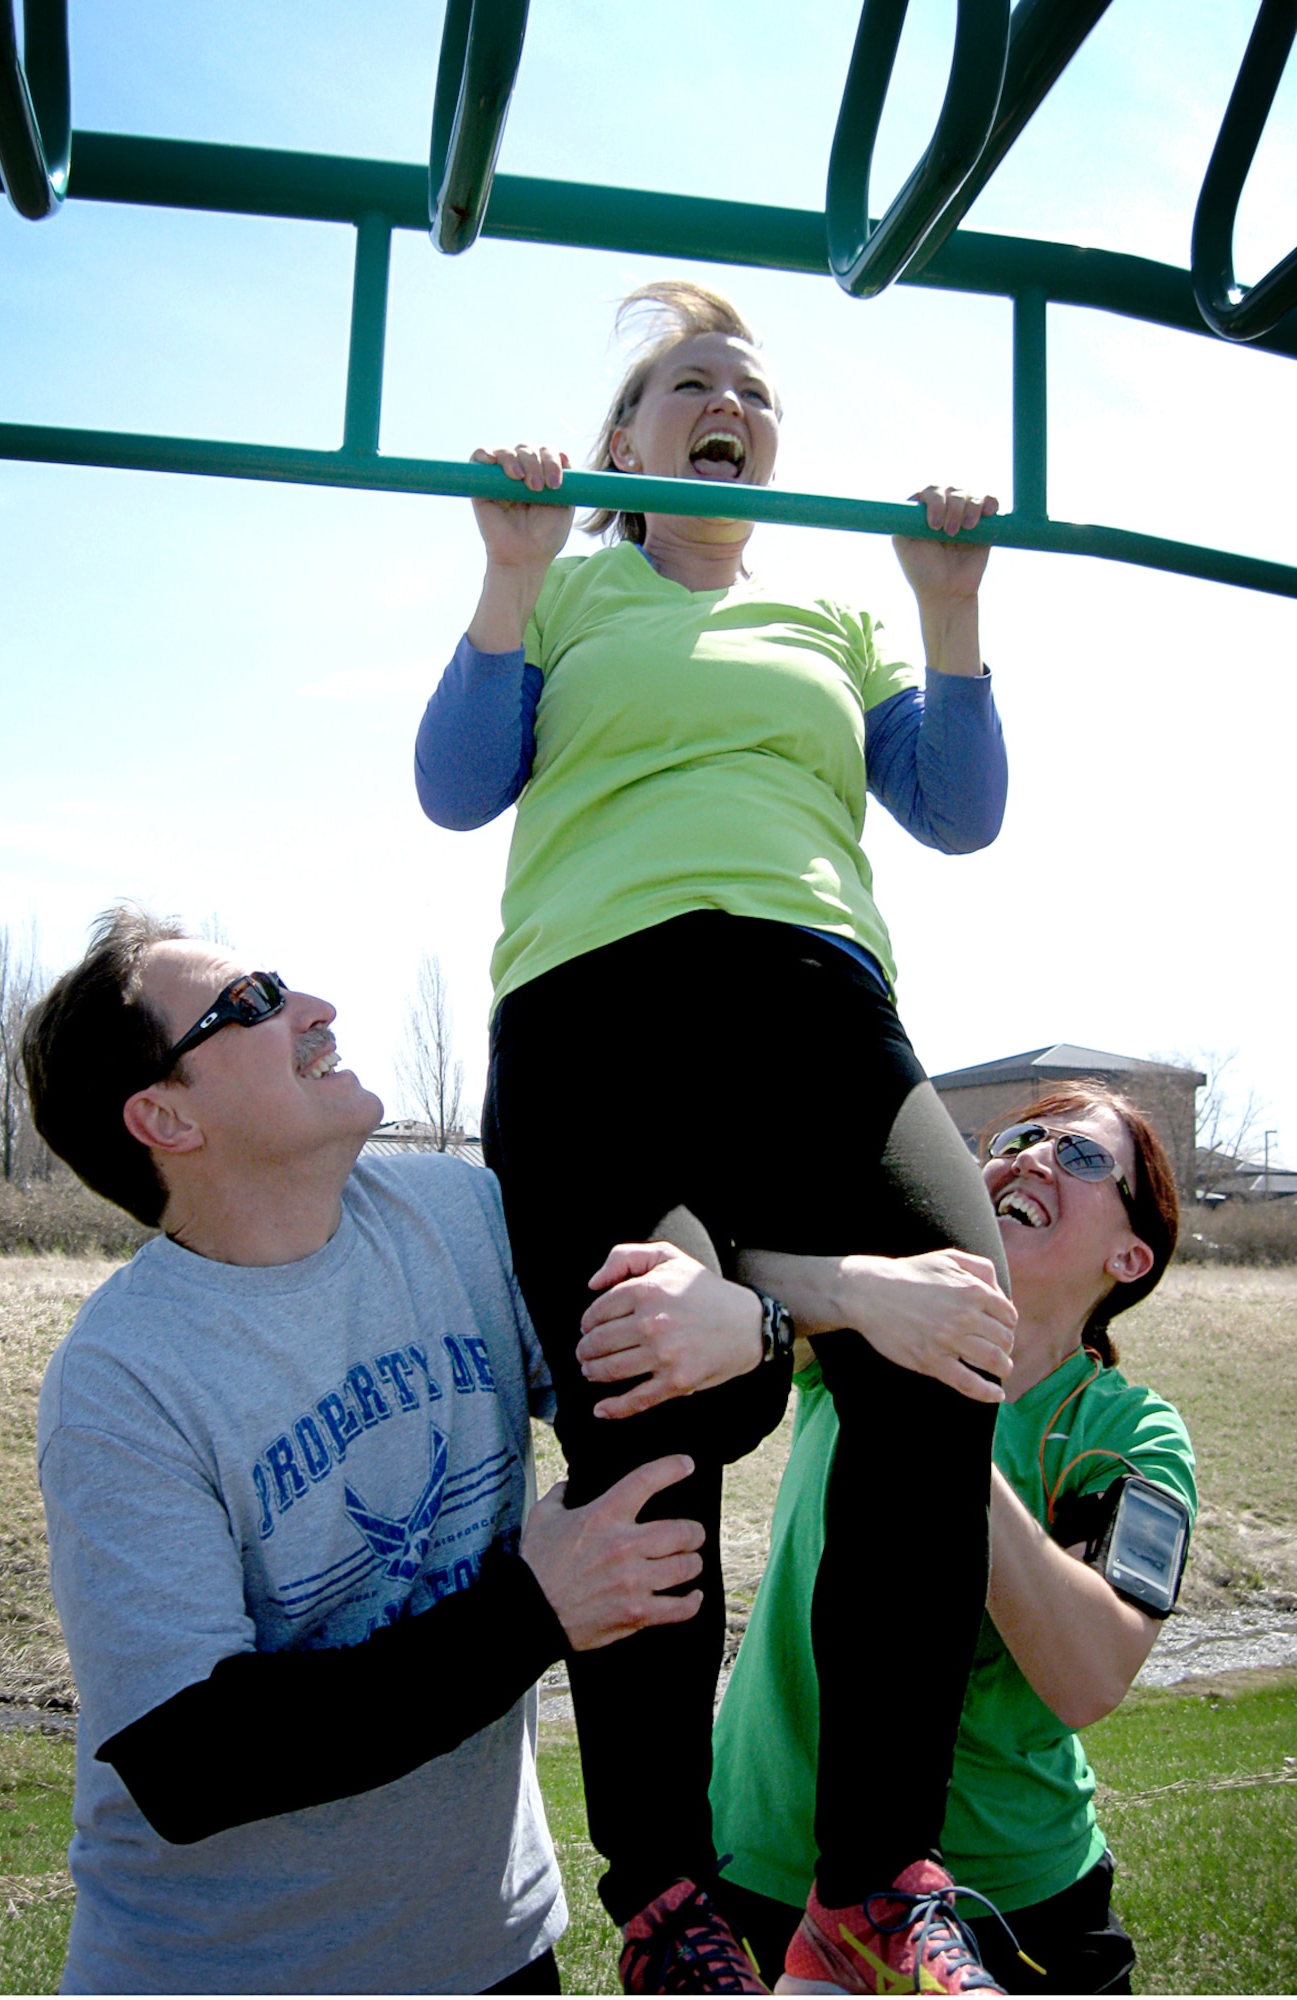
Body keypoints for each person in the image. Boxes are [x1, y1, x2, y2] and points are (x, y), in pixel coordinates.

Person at [415, 277, 1014, 1992]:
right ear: (626, 442)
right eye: (686, 380)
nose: (723, 399)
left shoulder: (826, 614)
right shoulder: (578, 588)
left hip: (822, 1022)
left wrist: (946, 608)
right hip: (601, 1024)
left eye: (746, 383)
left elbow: (955, 814)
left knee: (954, 1327)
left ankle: (871, 1876)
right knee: (652, 1384)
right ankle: (668, 1891)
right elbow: (459, 787)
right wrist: (510, 572)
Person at [21, 906, 708, 1996]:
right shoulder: (122, 1380)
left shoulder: (455, 1212)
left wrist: (780, 1303)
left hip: (494, 1944)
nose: (314, 1008)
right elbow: (193, 1757)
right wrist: (535, 1607)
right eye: (248, 1004)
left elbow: (647, 1368)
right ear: (163, 1115)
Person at [577, 1086, 1194, 1993]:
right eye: (1018, 1138)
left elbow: (1089, 1675)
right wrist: (859, 1295)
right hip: (760, 1868)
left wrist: (940, 1421)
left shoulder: (1126, 1433)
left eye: (1083, 1157)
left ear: (1129, 1256)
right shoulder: (863, 1338)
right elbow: (719, 1276)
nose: (1029, 1158)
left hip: (1005, 1901)